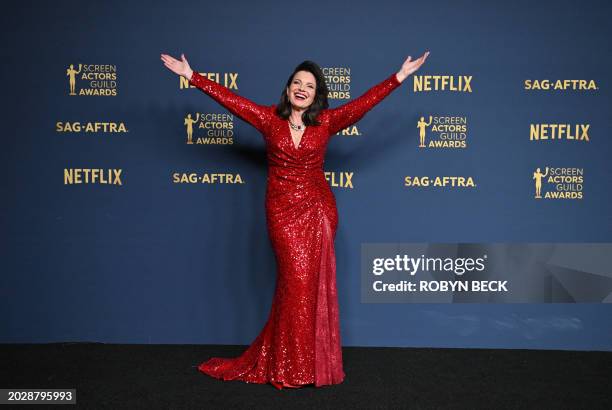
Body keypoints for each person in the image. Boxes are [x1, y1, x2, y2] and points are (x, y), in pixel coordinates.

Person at [160, 51, 430, 389]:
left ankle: (305, 366)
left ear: (317, 95)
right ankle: (289, 364)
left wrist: (398, 76)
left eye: (310, 86)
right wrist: (192, 75)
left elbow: (361, 105)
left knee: (309, 289)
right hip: (283, 214)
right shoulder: (268, 119)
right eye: (297, 83)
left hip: (318, 211)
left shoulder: (327, 122)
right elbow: (233, 101)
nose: (302, 89)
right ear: (288, 89)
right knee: (294, 285)